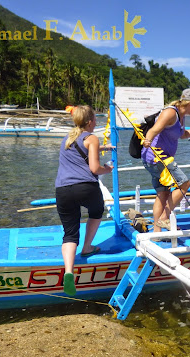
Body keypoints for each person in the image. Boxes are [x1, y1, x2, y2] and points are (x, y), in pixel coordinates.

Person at [55, 105, 114, 296]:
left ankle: (69, 271)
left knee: (70, 233)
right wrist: (107, 169)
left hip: (62, 189)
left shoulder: (67, 138)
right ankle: (87, 247)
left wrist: (102, 147)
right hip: (85, 187)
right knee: (97, 211)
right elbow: (95, 168)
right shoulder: (92, 138)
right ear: (89, 122)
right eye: (95, 120)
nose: (96, 123)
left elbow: (80, 150)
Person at [141, 88, 190, 232]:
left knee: (163, 194)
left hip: (158, 158)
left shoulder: (181, 115)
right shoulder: (170, 113)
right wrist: (146, 140)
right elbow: (154, 130)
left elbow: (183, 134)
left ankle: (157, 232)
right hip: (157, 158)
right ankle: (164, 218)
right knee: (184, 183)